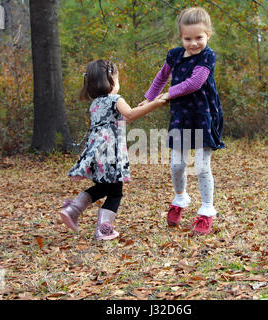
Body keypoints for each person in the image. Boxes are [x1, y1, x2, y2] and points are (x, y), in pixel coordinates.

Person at [59, 59, 166, 240]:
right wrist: (155, 104)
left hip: (97, 153)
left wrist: (145, 105)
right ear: (110, 81)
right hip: (111, 154)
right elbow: (130, 114)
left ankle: (73, 209)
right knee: (116, 192)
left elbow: (123, 119)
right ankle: (103, 229)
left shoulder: (95, 104)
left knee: (102, 187)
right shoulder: (116, 99)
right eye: (117, 79)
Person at [141, 7, 225, 235]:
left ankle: (206, 211)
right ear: (181, 36)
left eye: (199, 37)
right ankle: (180, 199)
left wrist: (168, 94)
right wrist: (148, 98)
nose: (194, 43)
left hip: (202, 116)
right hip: (180, 117)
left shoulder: (207, 56)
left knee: (201, 166)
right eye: (188, 38)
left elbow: (195, 82)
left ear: (208, 34)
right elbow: (162, 77)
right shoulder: (175, 55)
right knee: (177, 165)